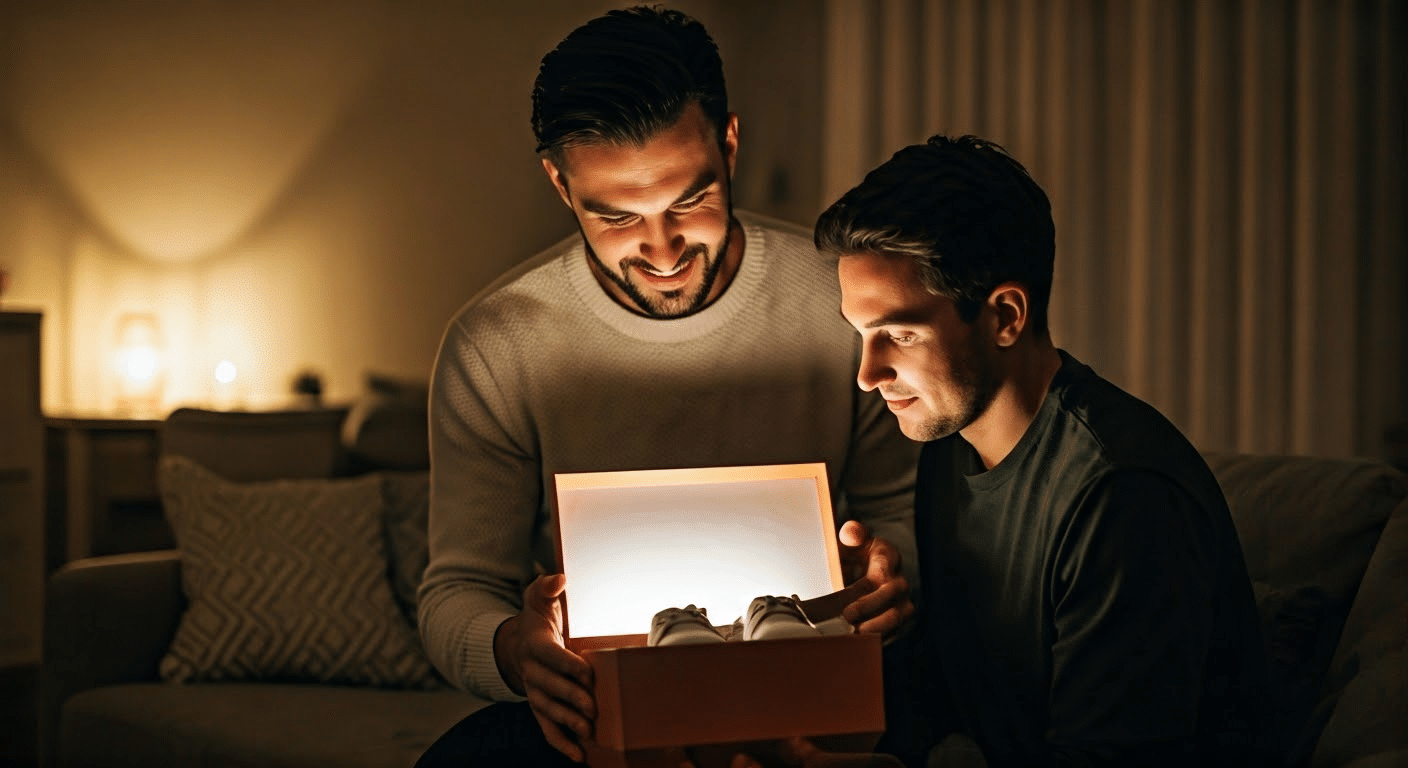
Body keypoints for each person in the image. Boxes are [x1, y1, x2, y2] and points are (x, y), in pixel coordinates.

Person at [414, 7, 920, 766]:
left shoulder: (841, 304)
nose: (662, 251)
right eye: (616, 217)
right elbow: (457, 588)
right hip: (607, 703)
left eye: (689, 201)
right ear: (560, 184)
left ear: (730, 144)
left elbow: (903, 514)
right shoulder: (498, 345)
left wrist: (893, 572)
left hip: (813, 686)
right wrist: (515, 650)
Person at [756, 134, 1268, 767]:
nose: (867, 374)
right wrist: (875, 632)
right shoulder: (950, 445)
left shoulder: (1122, 495)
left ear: (1004, 317)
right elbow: (958, 704)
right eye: (861, 334)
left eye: (899, 333)